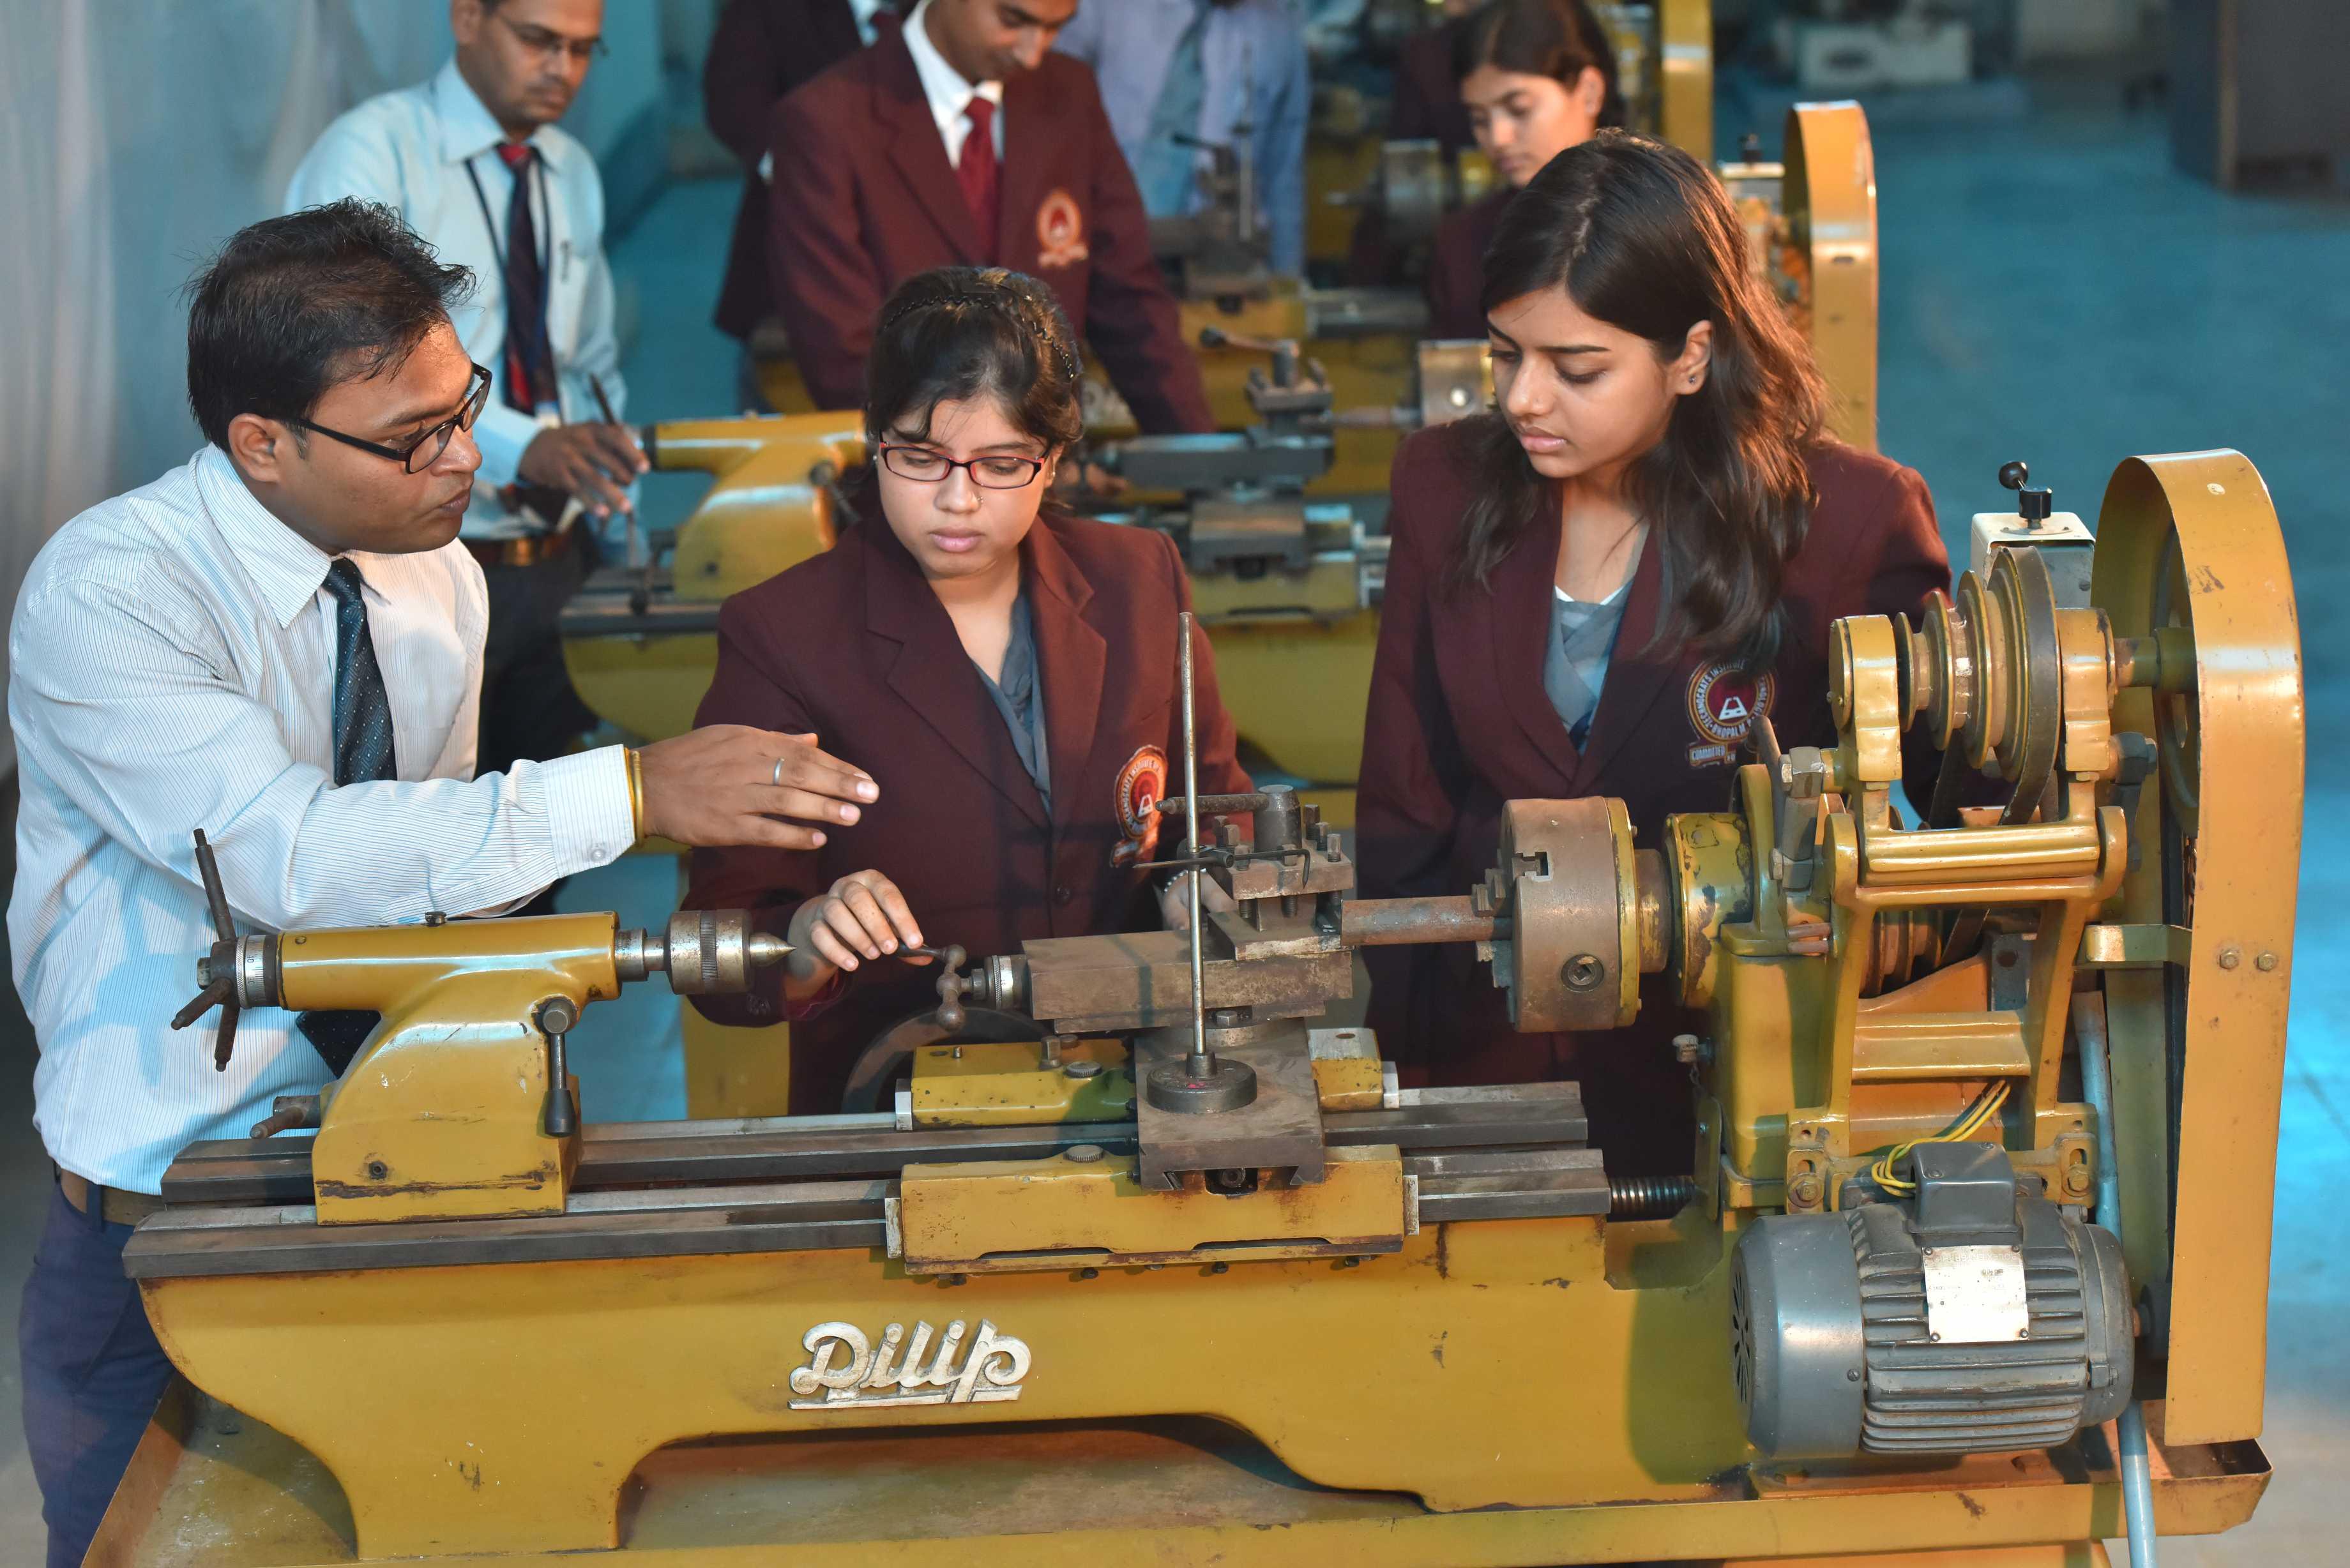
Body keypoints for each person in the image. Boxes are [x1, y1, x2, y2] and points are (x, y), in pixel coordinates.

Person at [5, 202, 878, 1568]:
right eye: (413, 437)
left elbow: (433, 894)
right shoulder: (110, 594)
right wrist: (632, 792)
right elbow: (281, 859)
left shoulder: (442, 587)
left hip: (385, 1189)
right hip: (164, 1231)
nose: (467, 455)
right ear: (263, 445)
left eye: (463, 405)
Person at [1356, 134, 1952, 1175]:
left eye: (1577, 367)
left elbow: (1961, 835)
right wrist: (1392, 1088)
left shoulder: (1846, 527)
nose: (1523, 400)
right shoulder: (1442, 486)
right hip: (1481, 1080)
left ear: (1690, 355)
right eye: (1507, 354)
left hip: (1728, 1102)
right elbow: (1403, 806)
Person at [683, 267, 1250, 1115]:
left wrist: (1204, 892)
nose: (956, 499)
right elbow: (720, 950)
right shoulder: (785, 636)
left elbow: (1215, 809)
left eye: (1001, 464)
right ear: (873, 438)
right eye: (918, 457)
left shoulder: (1140, 583)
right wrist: (805, 937)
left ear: (1053, 461)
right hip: (894, 1102)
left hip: (1148, 1090)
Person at [285, 0, 644, 782]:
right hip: (419, 555)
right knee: (421, 818)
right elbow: (339, 366)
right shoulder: (371, 154)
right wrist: (526, 447)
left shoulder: (570, 170)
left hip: (554, 553)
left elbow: (586, 358)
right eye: (539, 40)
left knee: (549, 820)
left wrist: (616, 521)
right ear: (468, 18)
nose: (563, 70)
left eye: (584, 51)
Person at [766, 0, 1216, 432]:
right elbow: (845, 357)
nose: (1032, 52)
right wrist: (989, 465)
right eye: (1013, 18)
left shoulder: (1069, 96)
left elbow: (1129, 298)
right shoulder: (826, 124)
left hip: (1042, 478)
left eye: (1056, 26)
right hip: (907, 484)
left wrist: (1205, 458)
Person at [704, 0, 907, 360]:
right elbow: (731, 97)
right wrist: (803, 172)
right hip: (797, 272)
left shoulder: (942, 12)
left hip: (920, 270)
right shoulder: (775, 10)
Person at [1053, 0, 1312, 276]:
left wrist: (1288, 280)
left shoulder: (1279, 31)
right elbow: (1051, 110)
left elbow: (1283, 175)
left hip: (1219, 259)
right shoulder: (1105, 8)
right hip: (1103, 243)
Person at [1425, 0, 1623, 338]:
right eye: (1479, 119)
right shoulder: (1464, 248)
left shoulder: (1666, 225)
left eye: (1519, 109)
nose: (1497, 138)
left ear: (1589, 91)